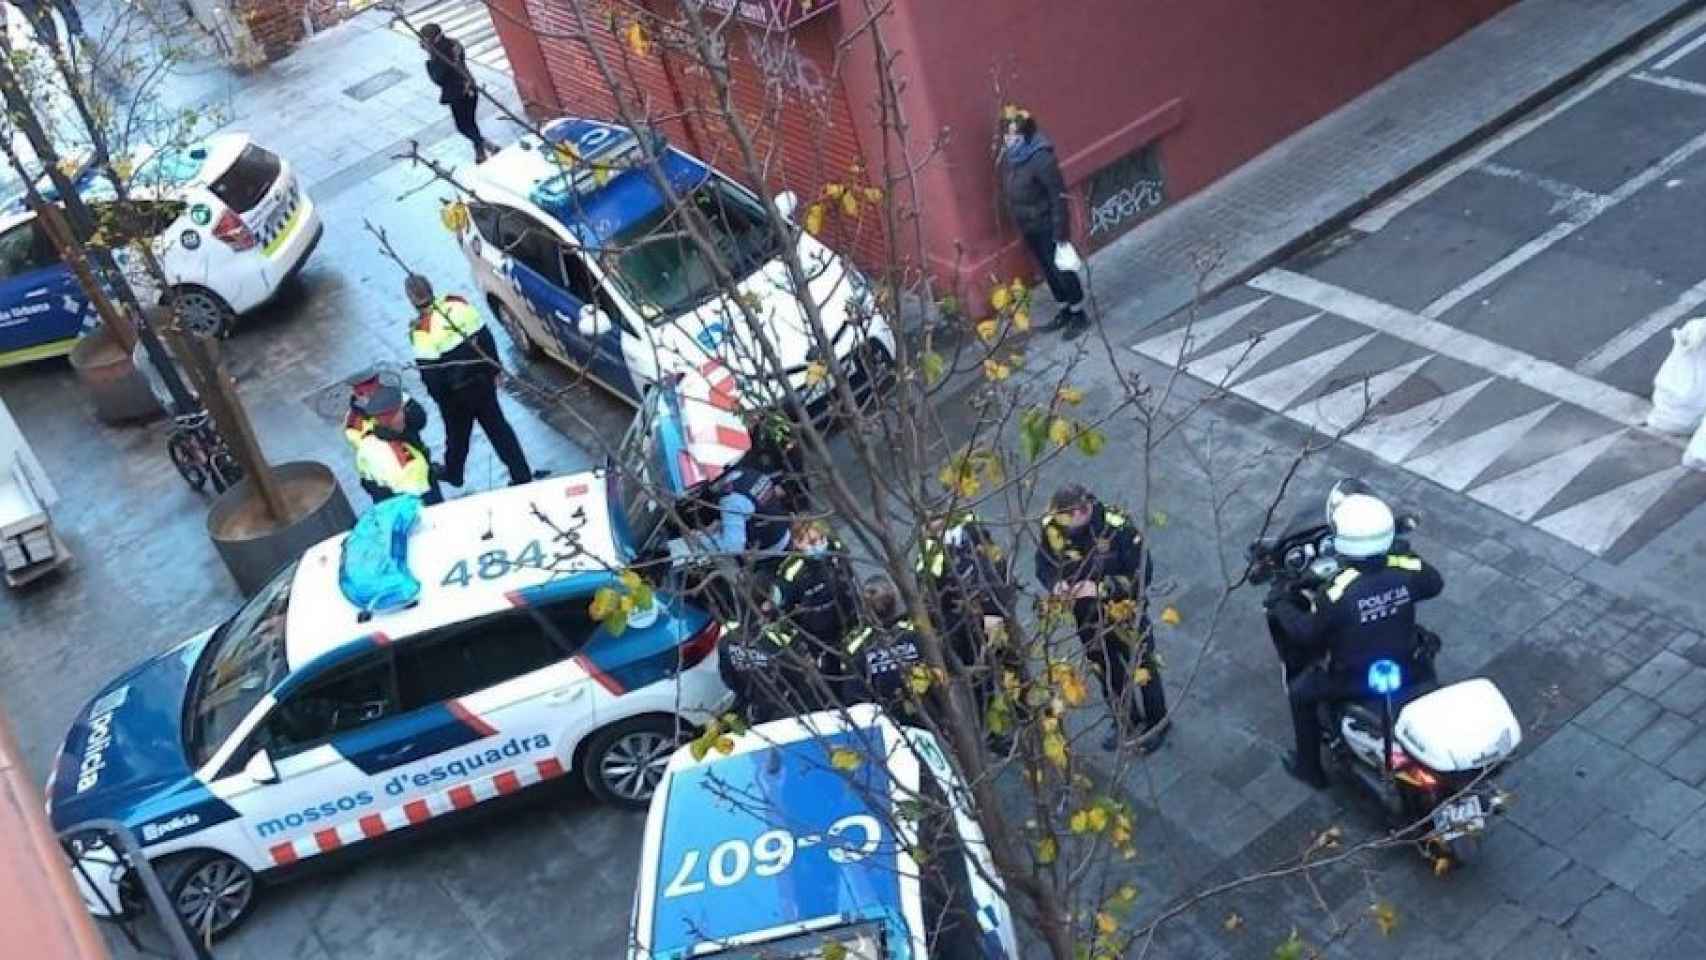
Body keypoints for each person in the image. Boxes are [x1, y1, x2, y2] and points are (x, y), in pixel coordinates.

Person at [1269, 493, 1444, 789]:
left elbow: (1306, 633)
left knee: (1300, 695)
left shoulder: (1337, 591)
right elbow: (1433, 583)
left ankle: (1309, 769)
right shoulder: (1404, 567)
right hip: (1410, 666)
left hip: (1353, 679)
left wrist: (1280, 604)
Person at [1034, 484, 1167, 753]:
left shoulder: (1117, 527)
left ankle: (1157, 722)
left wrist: (1102, 588)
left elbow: (1142, 573)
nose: (1066, 530)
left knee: (1143, 667)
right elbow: (1044, 565)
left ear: (1084, 510)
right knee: (1106, 671)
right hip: (1087, 618)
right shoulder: (1054, 526)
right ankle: (1125, 720)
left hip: (1126, 612)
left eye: (1070, 521)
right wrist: (1055, 585)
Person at [404, 275, 537, 490]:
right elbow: (485, 337)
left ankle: (454, 473)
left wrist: (442, 402)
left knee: (456, 437)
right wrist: (494, 369)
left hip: (454, 395)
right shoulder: (458, 305)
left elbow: (431, 376)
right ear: (431, 288)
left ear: (411, 299)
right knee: (499, 429)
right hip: (481, 383)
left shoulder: (422, 331)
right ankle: (521, 474)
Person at [918, 508, 1022, 748]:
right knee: (981, 681)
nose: (939, 528)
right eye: (932, 526)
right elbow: (938, 611)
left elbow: (995, 567)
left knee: (1013, 664)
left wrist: (998, 609)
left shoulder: (970, 532)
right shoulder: (930, 563)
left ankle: (1024, 709)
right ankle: (991, 732)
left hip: (997, 614)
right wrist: (975, 620)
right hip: (966, 630)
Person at [999, 108, 1087, 340]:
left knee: (1062, 270)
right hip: (1029, 226)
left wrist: (1060, 231)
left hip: (1048, 225)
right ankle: (1064, 310)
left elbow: (1057, 196)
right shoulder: (1012, 159)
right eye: (1006, 137)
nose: (1009, 142)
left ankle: (1079, 314)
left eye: (1014, 138)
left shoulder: (1041, 159)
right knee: (1048, 271)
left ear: (1026, 136)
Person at [842, 576, 930, 726]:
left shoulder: (917, 631)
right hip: (885, 726)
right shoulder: (856, 644)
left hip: (926, 720)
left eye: (877, 592)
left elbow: (940, 674)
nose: (875, 598)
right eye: (870, 593)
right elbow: (854, 698)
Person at [420, 23, 498, 162]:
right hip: (470, 86)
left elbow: (438, 78)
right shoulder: (454, 44)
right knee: (471, 123)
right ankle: (480, 152)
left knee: (463, 126)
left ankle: (485, 144)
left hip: (458, 94)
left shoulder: (438, 56)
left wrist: (430, 59)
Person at [352, 385, 442, 505]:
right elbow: (417, 496)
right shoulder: (402, 458)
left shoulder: (367, 434)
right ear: (391, 418)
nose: (405, 414)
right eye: (401, 410)